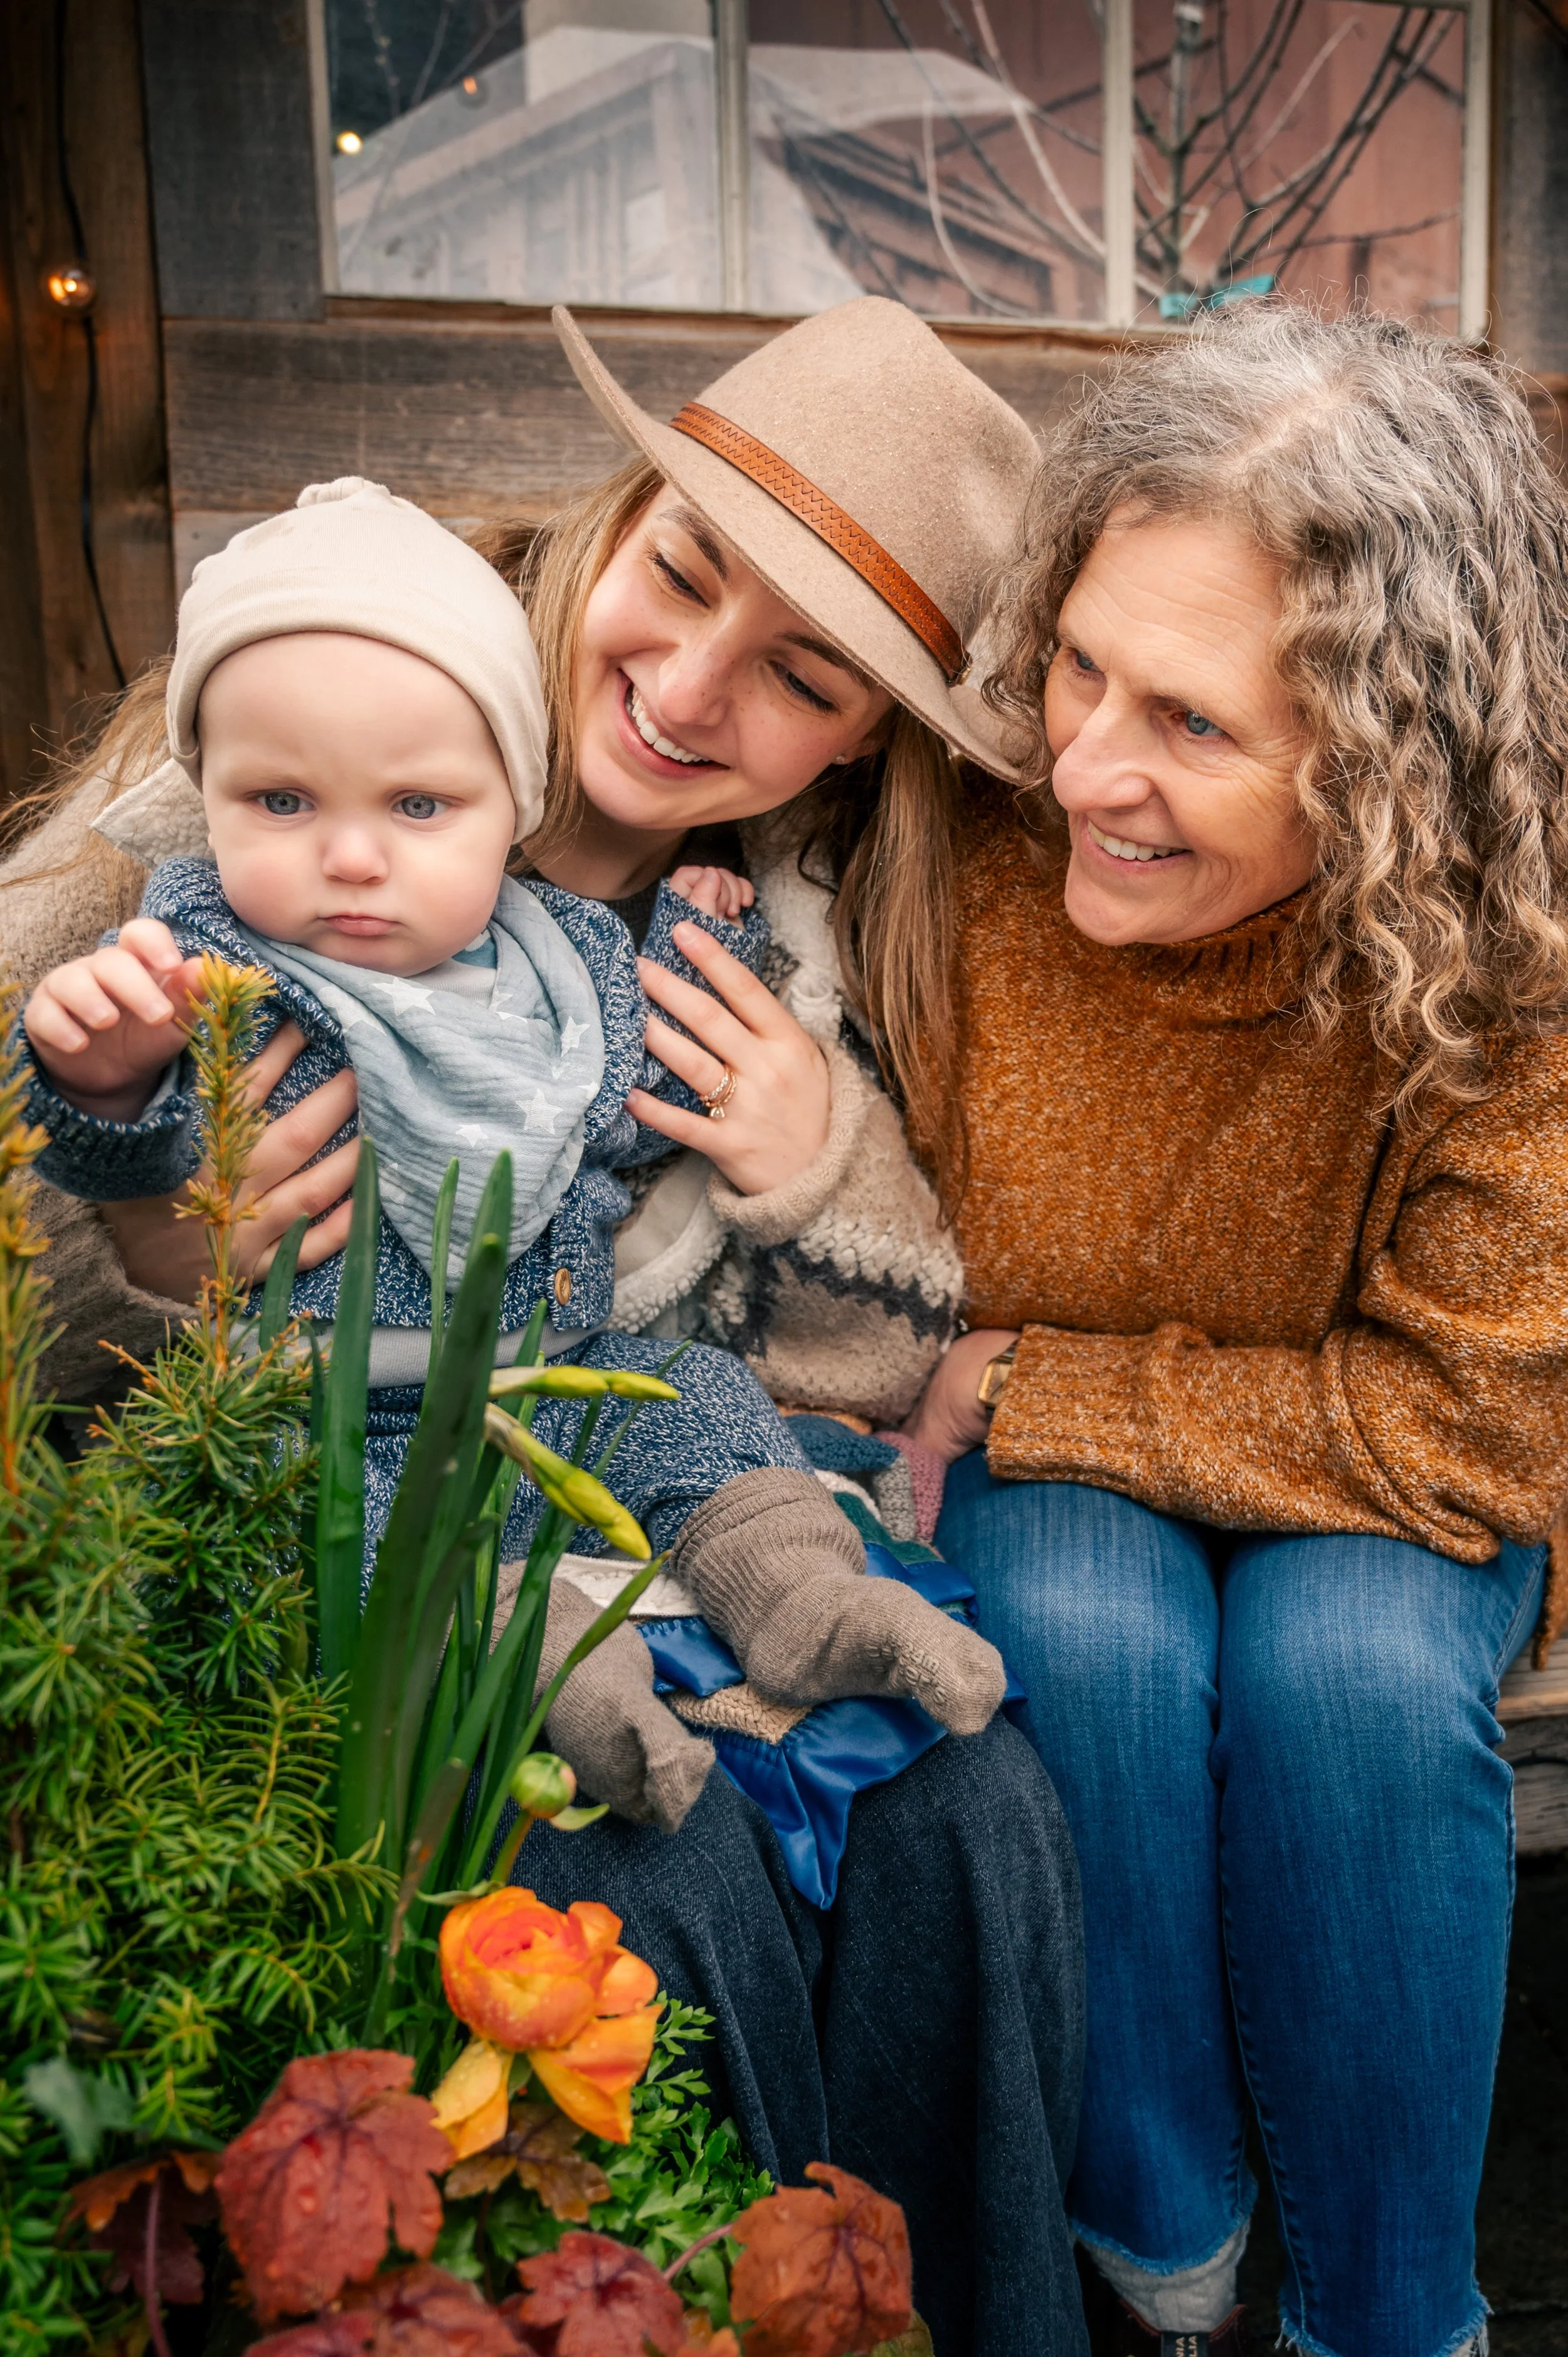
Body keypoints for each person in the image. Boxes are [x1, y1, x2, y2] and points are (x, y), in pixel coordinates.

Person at [0, 299, 1089, 2357]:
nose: (688, 686)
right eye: (685, 572)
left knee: (973, 1795)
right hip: (289, 1505)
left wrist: (816, 1161)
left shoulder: (789, 932)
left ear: (865, 739)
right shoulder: (315, 733)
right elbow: (38, 1195)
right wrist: (164, 1230)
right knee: (640, 1875)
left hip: (635, 1499)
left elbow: (862, 1376)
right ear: (625, 507)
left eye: (802, 675)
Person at [899, 304, 1568, 2357]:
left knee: (1354, 1681)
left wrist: (1046, 1374)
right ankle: (1161, 2245)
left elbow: (1473, 1425)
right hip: (1038, 1478)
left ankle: (1388, 2320)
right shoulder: (968, 824)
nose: (1083, 760)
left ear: (1382, 770)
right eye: (1082, 662)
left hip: (1363, 1469)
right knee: (1085, 1635)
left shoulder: (1506, 955)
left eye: (1189, 723)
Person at [18, 475, 1004, 1838]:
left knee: (702, 1407)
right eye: (283, 803)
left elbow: (631, 1088)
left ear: (505, 809)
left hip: (539, 1377)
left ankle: (801, 1595)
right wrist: (104, 1082)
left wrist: (712, 977)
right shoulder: (199, 955)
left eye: (417, 810)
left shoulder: (567, 958)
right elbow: (115, 1160)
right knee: (345, 1528)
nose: (352, 858)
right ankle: (544, 1674)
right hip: (315, 1404)